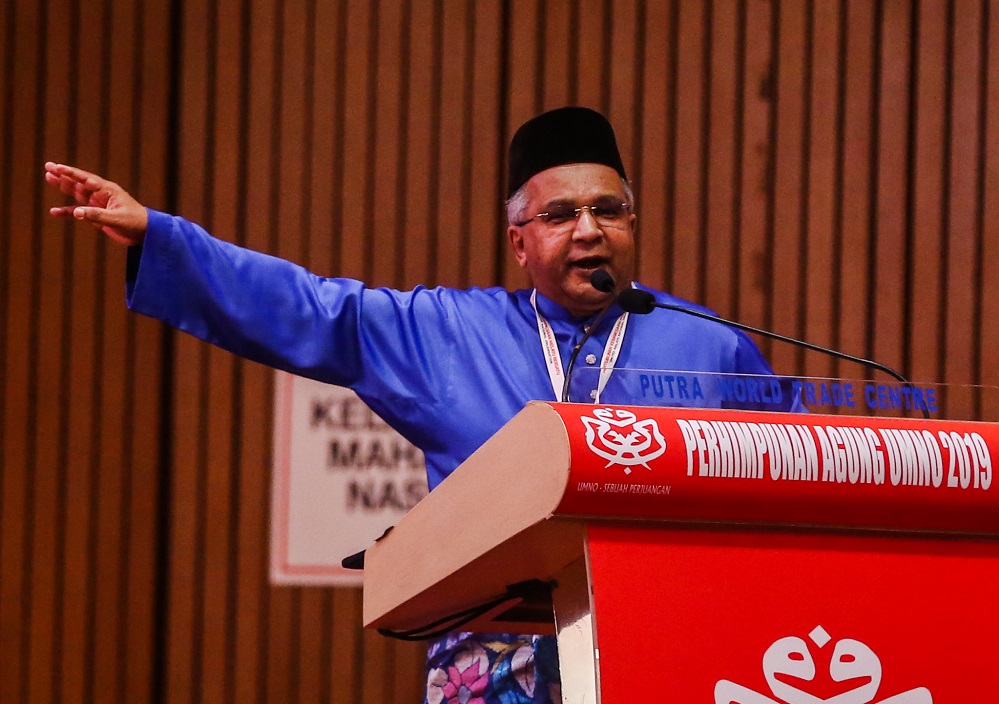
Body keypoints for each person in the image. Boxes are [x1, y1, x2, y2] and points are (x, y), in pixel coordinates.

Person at [46, 106, 799, 704]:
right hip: (496, 663)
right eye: (561, 214)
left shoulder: (710, 344)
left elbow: (795, 466)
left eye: (610, 210)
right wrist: (165, 239)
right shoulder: (448, 333)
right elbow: (314, 311)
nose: (590, 230)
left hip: (661, 650)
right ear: (518, 243)